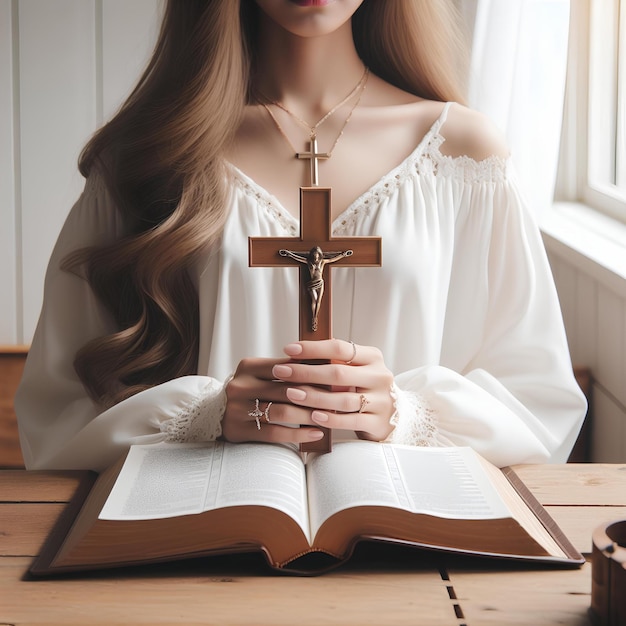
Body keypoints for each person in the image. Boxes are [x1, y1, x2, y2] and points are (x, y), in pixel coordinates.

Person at [15, 0, 587, 472]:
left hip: (403, 546)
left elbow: (537, 399)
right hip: (210, 545)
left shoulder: (461, 155)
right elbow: (56, 409)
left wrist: (405, 414)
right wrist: (202, 418)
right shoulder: (147, 161)